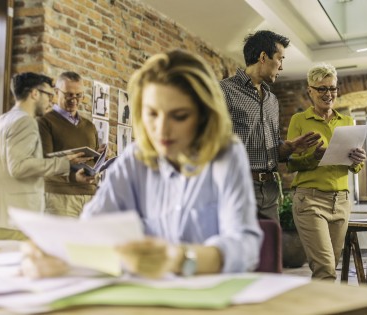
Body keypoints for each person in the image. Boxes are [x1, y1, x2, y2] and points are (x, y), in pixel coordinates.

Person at [21, 49, 262, 279]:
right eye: (152, 114)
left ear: (204, 116)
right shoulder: (134, 158)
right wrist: (51, 250)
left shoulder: (226, 154)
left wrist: (180, 259)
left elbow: (246, 245)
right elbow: (92, 229)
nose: (162, 129)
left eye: (179, 116)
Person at [219, 30, 321, 222]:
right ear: (263, 57)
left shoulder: (272, 100)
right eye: (280, 59)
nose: (281, 66)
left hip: (270, 190)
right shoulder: (223, 91)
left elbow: (273, 150)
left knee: (270, 251)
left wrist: (288, 148)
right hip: (237, 187)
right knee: (242, 251)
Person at [0, 72, 89, 240]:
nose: (51, 100)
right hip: (14, 220)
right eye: (49, 95)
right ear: (35, 93)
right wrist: (64, 163)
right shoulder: (25, 122)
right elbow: (19, 167)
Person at [286, 63, 366, 280]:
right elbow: (290, 163)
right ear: (310, 90)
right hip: (310, 201)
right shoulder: (299, 120)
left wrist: (358, 161)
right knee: (325, 269)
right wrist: (314, 158)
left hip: (341, 201)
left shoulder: (347, 122)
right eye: (321, 89)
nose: (328, 94)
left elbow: (356, 167)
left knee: (331, 267)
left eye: (332, 88)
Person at [38, 71, 100, 218]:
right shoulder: (45, 123)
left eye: (78, 95)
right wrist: (73, 177)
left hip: (90, 198)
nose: (74, 100)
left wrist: (102, 155)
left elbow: (93, 163)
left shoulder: (90, 126)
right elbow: (42, 165)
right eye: (69, 95)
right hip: (60, 198)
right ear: (56, 92)